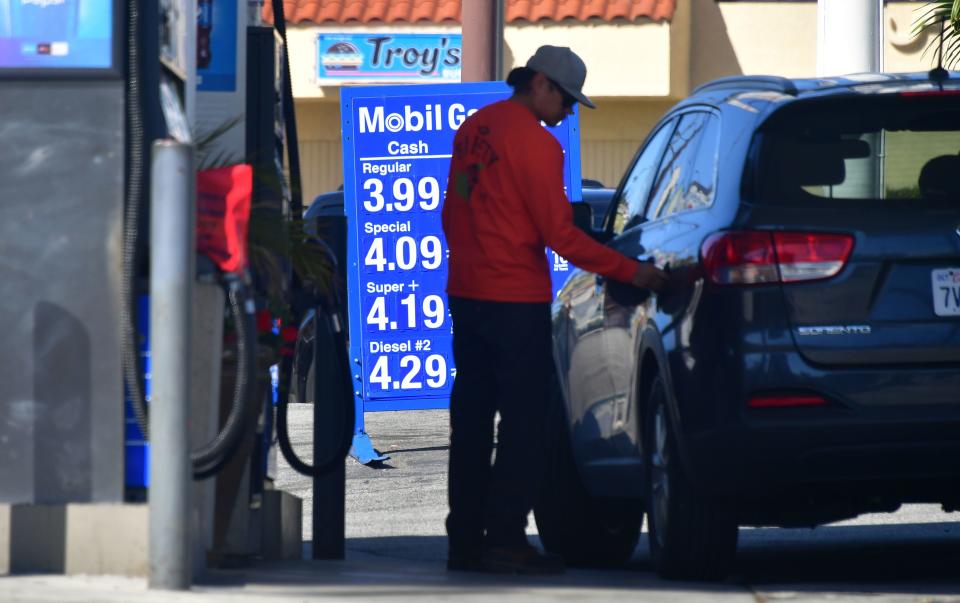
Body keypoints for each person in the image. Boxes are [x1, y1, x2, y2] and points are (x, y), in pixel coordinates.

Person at [441, 45, 669, 574]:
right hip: (515, 300)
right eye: (565, 100)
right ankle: (504, 539)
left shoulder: (473, 129)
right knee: (526, 425)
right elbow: (561, 235)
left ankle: (464, 543)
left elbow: (452, 209)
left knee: (471, 423)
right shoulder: (539, 147)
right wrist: (630, 270)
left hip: (467, 295)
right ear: (540, 84)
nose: (567, 113)